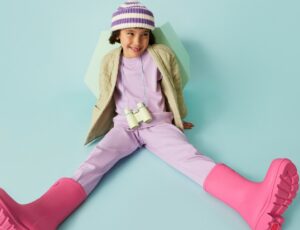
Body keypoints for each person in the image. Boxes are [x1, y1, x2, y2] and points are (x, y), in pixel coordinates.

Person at [0, 1, 298, 229]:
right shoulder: (109, 60)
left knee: (190, 158)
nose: (137, 41)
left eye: (144, 35)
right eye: (130, 34)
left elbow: (174, 88)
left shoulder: (161, 56)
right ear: (117, 35)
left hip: (156, 122)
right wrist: (98, 123)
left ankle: (251, 201)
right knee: (93, 164)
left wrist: (179, 117)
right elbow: (105, 95)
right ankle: (39, 217)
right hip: (123, 125)